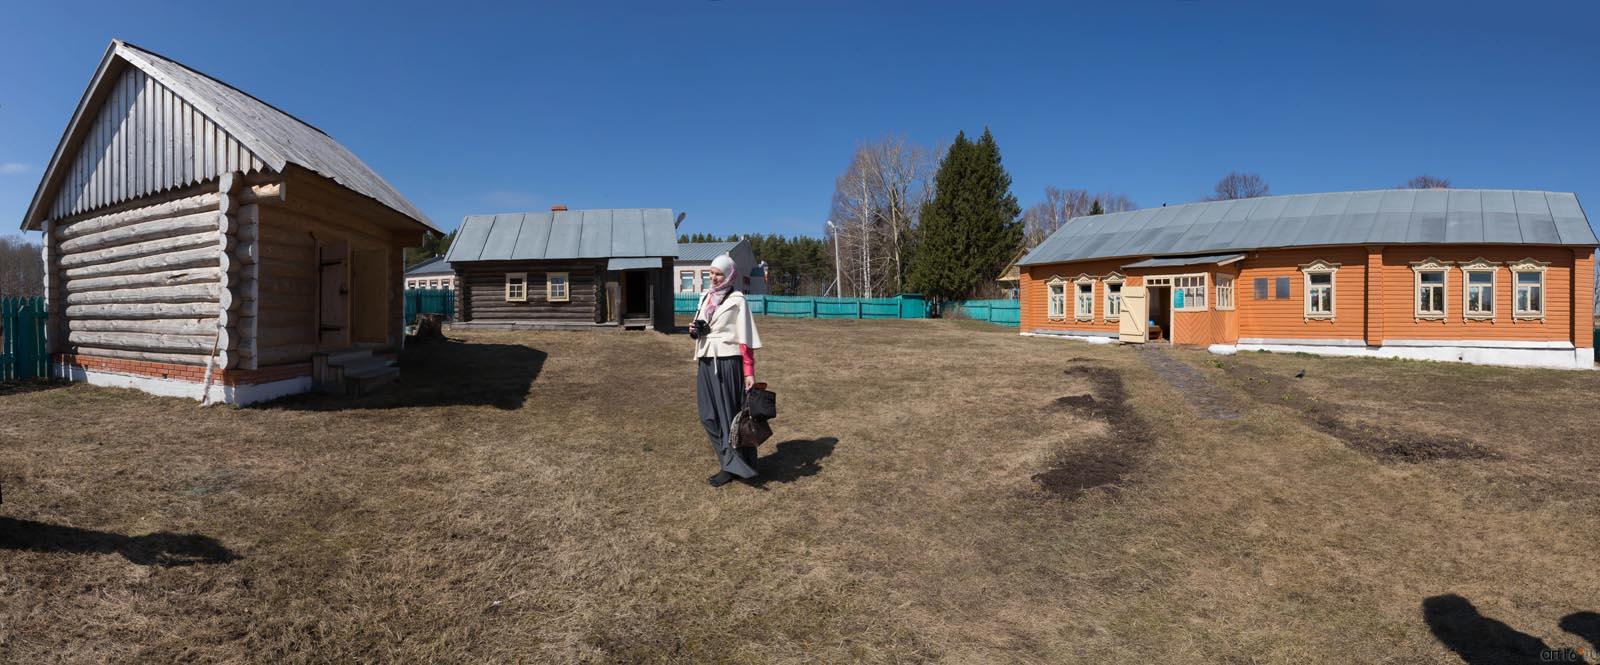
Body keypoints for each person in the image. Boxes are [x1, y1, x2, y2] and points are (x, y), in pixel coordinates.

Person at [691, 255, 762, 487]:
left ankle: (732, 465)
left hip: (728, 363)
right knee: (708, 416)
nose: (713, 277)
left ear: (729, 275)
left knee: (728, 417)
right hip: (705, 360)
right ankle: (733, 462)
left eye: (718, 274)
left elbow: (746, 338)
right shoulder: (705, 297)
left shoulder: (738, 300)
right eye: (711, 273)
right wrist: (694, 330)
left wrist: (749, 371)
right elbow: (700, 327)